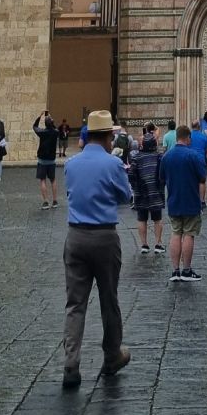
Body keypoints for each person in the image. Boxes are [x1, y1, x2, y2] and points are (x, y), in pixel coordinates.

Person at [61, 110, 134, 388]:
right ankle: (112, 356)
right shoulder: (112, 163)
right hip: (104, 237)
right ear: (107, 136)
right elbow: (125, 197)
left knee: (75, 304)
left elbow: (71, 193)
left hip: (76, 237)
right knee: (109, 300)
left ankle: (71, 364)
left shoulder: (71, 163)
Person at [158, 124, 207, 282]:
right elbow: (202, 178)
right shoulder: (193, 156)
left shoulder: (166, 157)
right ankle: (186, 271)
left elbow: (161, 178)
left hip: (173, 200)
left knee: (175, 233)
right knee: (188, 234)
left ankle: (175, 271)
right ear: (188, 138)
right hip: (191, 200)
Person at [128, 131, 165, 254]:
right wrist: (161, 184)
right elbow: (163, 173)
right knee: (157, 219)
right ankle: (158, 244)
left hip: (140, 191)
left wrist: (135, 186)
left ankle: (144, 245)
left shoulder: (136, 157)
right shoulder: (159, 156)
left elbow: (131, 174)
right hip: (155, 191)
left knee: (141, 218)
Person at [34, 112, 60, 208]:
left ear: (45, 124)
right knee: (53, 180)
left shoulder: (42, 133)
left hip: (42, 160)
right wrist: (51, 120)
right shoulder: (56, 132)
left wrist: (39, 116)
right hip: (52, 160)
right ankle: (55, 201)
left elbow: (34, 126)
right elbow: (55, 128)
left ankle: (45, 202)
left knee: (43, 180)